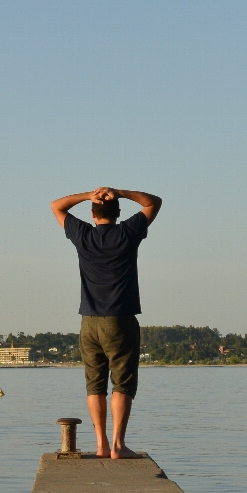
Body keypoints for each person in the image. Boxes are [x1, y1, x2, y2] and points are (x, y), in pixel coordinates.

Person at [51, 187, 162, 459]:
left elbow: (57, 206)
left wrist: (89, 194)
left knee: (95, 385)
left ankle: (101, 445)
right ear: (119, 213)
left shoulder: (83, 235)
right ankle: (117, 446)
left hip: (89, 321)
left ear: (92, 213)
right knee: (122, 384)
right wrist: (120, 193)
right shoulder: (127, 232)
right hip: (120, 320)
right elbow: (153, 203)